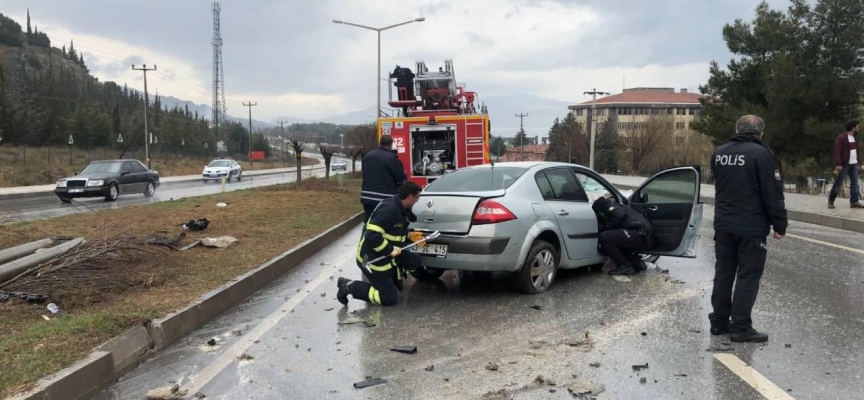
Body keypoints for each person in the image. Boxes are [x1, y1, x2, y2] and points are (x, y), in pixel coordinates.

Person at [710, 115, 787, 343]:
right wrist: (779, 224)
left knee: (723, 274)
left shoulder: (719, 153)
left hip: (723, 225)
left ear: (737, 130)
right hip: (751, 228)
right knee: (748, 276)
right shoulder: (761, 154)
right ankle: (741, 327)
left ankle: (719, 322)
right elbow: (772, 194)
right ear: (760, 134)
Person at [337, 182, 424, 307]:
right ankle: (348, 286)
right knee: (388, 298)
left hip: (387, 253)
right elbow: (372, 236)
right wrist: (390, 250)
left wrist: (409, 235)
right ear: (410, 196)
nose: (417, 200)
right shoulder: (388, 210)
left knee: (414, 261)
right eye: (417, 197)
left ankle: (392, 279)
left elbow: (392, 232)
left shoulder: (401, 208)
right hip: (371, 259)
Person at [593, 196, 654, 276]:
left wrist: (607, 228)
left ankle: (625, 266)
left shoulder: (611, 207)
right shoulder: (620, 207)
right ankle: (637, 262)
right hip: (643, 237)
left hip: (639, 234)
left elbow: (619, 215)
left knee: (604, 237)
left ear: (600, 209)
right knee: (615, 238)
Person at [361, 135, 407, 227]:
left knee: (369, 222)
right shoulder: (391, 158)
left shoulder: (368, 156)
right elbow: (401, 179)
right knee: (384, 224)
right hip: (384, 198)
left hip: (367, 197)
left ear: (380, 143)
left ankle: (367, 235)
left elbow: (364, 173)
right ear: (391, 145)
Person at [828, 119, 862, 209]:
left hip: (854, 164)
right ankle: (831, 201)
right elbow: (837, 152)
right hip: (844, 165)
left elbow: (857, 151)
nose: (859, 128)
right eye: (857, 126)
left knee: (855, 184)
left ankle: (854, 201)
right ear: (853, 128)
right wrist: (838, 164)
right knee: (838, 183)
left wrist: (859, 162)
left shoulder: (854, 138)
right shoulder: (841, 138)